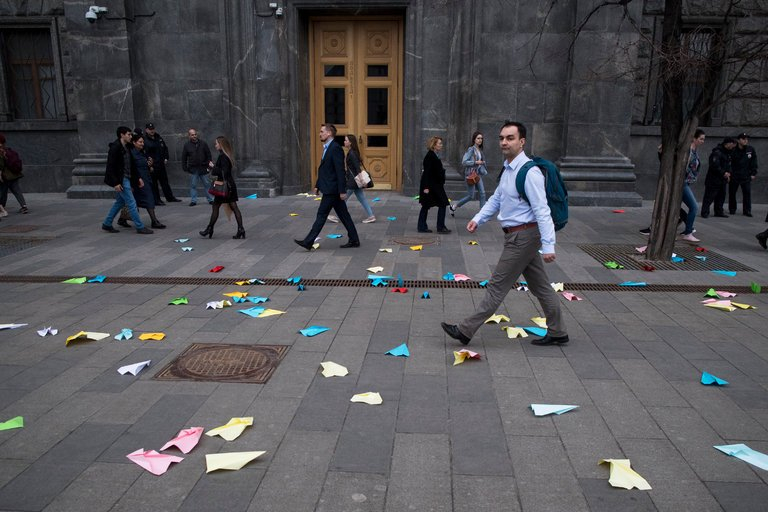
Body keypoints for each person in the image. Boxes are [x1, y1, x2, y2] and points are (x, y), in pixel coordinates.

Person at [441, 121, 567, 346]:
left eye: (510, 138)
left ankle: (465, 330)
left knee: (497, 286)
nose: (504, 142)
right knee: (541, 287)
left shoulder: (530, 173)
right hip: (518, 236)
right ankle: (558, 331)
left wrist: (549, 245)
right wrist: (478, 219)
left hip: (523, 237)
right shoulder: (509, 169)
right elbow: (497, 198)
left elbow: (542, 210)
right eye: (501, 138)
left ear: (522, 141)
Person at [294, 124, 360, 250]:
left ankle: (308, 241)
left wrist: (342, 190)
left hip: (332, 189)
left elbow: (339, 171)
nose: (320, 134)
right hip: (330, 188)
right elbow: (325, 169)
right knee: (344, 215)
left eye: (322, 131)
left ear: (329, 133)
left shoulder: (335, 148)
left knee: (321, 215)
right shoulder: (327, 148)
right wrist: (317, 185)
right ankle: (354, 239)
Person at [101, 126, 153, 234]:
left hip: (127, 177)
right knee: (131, 202)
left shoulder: (128, 147)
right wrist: (115, 183)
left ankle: (107, 223)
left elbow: (132, 165)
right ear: (122, 135)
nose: (130, 136)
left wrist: (138, 178)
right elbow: (110, 167)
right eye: (128, 134)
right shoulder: (115, 147)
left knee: (120, 202)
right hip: (121, 179)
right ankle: (139, 226)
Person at [199, 136, 245, 239]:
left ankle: (209, 229)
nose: (215, 145)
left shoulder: (223, 156)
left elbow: (224, 172)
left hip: (224, 187)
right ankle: (240, 229)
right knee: (233, 207)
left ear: (221, 145)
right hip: (229, 185)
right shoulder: (226, 156)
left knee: (216, 206)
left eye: (216, 143)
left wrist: (213, 167)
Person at [117, 133, 166, 229]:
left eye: (143, 142)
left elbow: (144, 165)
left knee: (137, 201)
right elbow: (130, 168)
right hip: (137, 181)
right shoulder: (131, 153)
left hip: (145, 180)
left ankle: (122, 219)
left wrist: (149, 165)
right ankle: (154, 221)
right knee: (145, 200)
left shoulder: (142, 152)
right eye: (140, 142)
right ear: (134, 142)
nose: (142, 143)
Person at [328, 134, 376, 224]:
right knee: (362, 199)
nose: (344, 142)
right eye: (345, 140)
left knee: (343, 199)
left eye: (346, 140)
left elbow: (357, 168)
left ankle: (337, 217)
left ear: (350, 142)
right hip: (354, 181)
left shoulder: (352, 153)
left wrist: (361, 180)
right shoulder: (352, 152)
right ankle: (371, 216)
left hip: (353, 181)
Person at [417, 136, 451, 233]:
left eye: (441, 143)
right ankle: (437, 227)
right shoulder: (430, 156)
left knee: (434, 204)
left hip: (435, 185)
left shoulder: (434, 155)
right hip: (431, 186)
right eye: (439, 143)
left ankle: (425, 226)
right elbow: (427, 173)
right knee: (432, 204)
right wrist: (426, 187)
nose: (441, 145)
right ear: (434, 145)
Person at [449, 131, 487, 216]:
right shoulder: (471, 149)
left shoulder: (479, 150)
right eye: (478, 138)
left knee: (482, 193)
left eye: (481, 138)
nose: (480, 140)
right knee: (471, 196)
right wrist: (476, 162)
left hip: (477, 175)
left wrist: (482, 163)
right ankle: (454, 206)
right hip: (470, 175)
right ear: (474, 139)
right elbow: (464, 162)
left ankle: (482, 214)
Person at [678, 129, 705, 243]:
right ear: (694, 138)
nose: (702, 141)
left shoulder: (694, 150)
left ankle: (686, 226)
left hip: (687, 182)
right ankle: (688, 232)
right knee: (694, 207)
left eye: (703, 139)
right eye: (701, 139)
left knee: (681, 206)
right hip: (682, 182)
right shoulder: (688, 151)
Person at [143, 123, 180, 204]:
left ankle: (170, 197)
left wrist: (166, 157)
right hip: (153, 166)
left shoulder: (158, 137)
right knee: (154, 184)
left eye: (153, 128)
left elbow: (165, 148)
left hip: (161, 164)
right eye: (150, 129)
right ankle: (157, 200)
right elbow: (145, 154)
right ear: (146, 130)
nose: (152, 130)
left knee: (165, 182)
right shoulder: (145, 140)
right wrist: (149, 165)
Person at [700, 137, 736, 218]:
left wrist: (728, 174)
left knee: (721, 196)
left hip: (723, 179)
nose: (733, 146)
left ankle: (719, 211)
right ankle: (705, 212)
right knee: (709, 196)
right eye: (732, 144)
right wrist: (723, 173)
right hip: (714, 179)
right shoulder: (717, 152)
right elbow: (714, 165)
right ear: (727, 143)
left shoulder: (728, 153)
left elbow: (729, 165)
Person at [181, 128, 213, 206]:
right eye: (192, 135)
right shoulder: (187, 145)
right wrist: (185, 167)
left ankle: (210, 199)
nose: (194, 136)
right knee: (193, 185)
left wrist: (209, 164)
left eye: (195, 134)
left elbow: (208, 154)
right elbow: (184, 157)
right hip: (193, 169)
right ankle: (193, 200)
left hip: (203, 167)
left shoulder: (203, 143)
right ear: (189, 136)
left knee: (207, 184)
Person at [729, 132, 758, 217]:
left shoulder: (750, 149)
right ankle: (732, 209)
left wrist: (753, 173)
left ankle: (747, 210)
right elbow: (729, 162)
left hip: (746, 175)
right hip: (735, 175)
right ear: (738, 140)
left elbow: (754, 162)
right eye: (743, 139)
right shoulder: (733, 150)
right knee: (732, 193)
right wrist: (730, 173)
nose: (746, 141)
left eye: (746, 139)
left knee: (747, 193)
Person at [0, 133, 28, 215]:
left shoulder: (1, 152)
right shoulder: (9, 150)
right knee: (17, 191)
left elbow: (1, 165)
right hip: (14, 175)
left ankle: (2, 208)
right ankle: (24, 206)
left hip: (5, 176)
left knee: (3, 192)